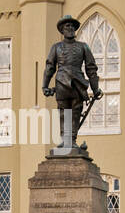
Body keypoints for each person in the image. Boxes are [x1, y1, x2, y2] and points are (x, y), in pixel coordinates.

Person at [42, 15, 102, 152]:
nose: (70, 28)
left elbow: (91, 68)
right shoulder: (56, 47)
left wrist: (95, 88)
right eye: (66, 26)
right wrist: (44, 85)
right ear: (62, 30)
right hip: (61, 82)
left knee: (76, 111)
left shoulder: (83, 47)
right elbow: (50, 66)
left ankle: (72, 140)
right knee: (63, 112)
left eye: (72, 26)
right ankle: (65, 140)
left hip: (78, 83)